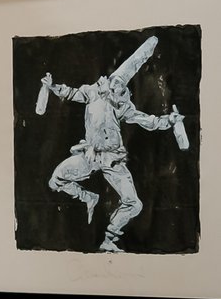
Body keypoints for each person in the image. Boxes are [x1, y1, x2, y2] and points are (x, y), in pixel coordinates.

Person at [38, 35, 191, 251]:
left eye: (123, 92)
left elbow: (149, 121)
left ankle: (108, 241)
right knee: (55, 180)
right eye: (117, 87)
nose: (119, 90)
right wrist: (51, 86)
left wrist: (170, 120)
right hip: (89, 156)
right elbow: (70, 92)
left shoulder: (123, 107)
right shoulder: (93, 92)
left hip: (113, 161)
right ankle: (88, 197)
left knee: (134, 204)